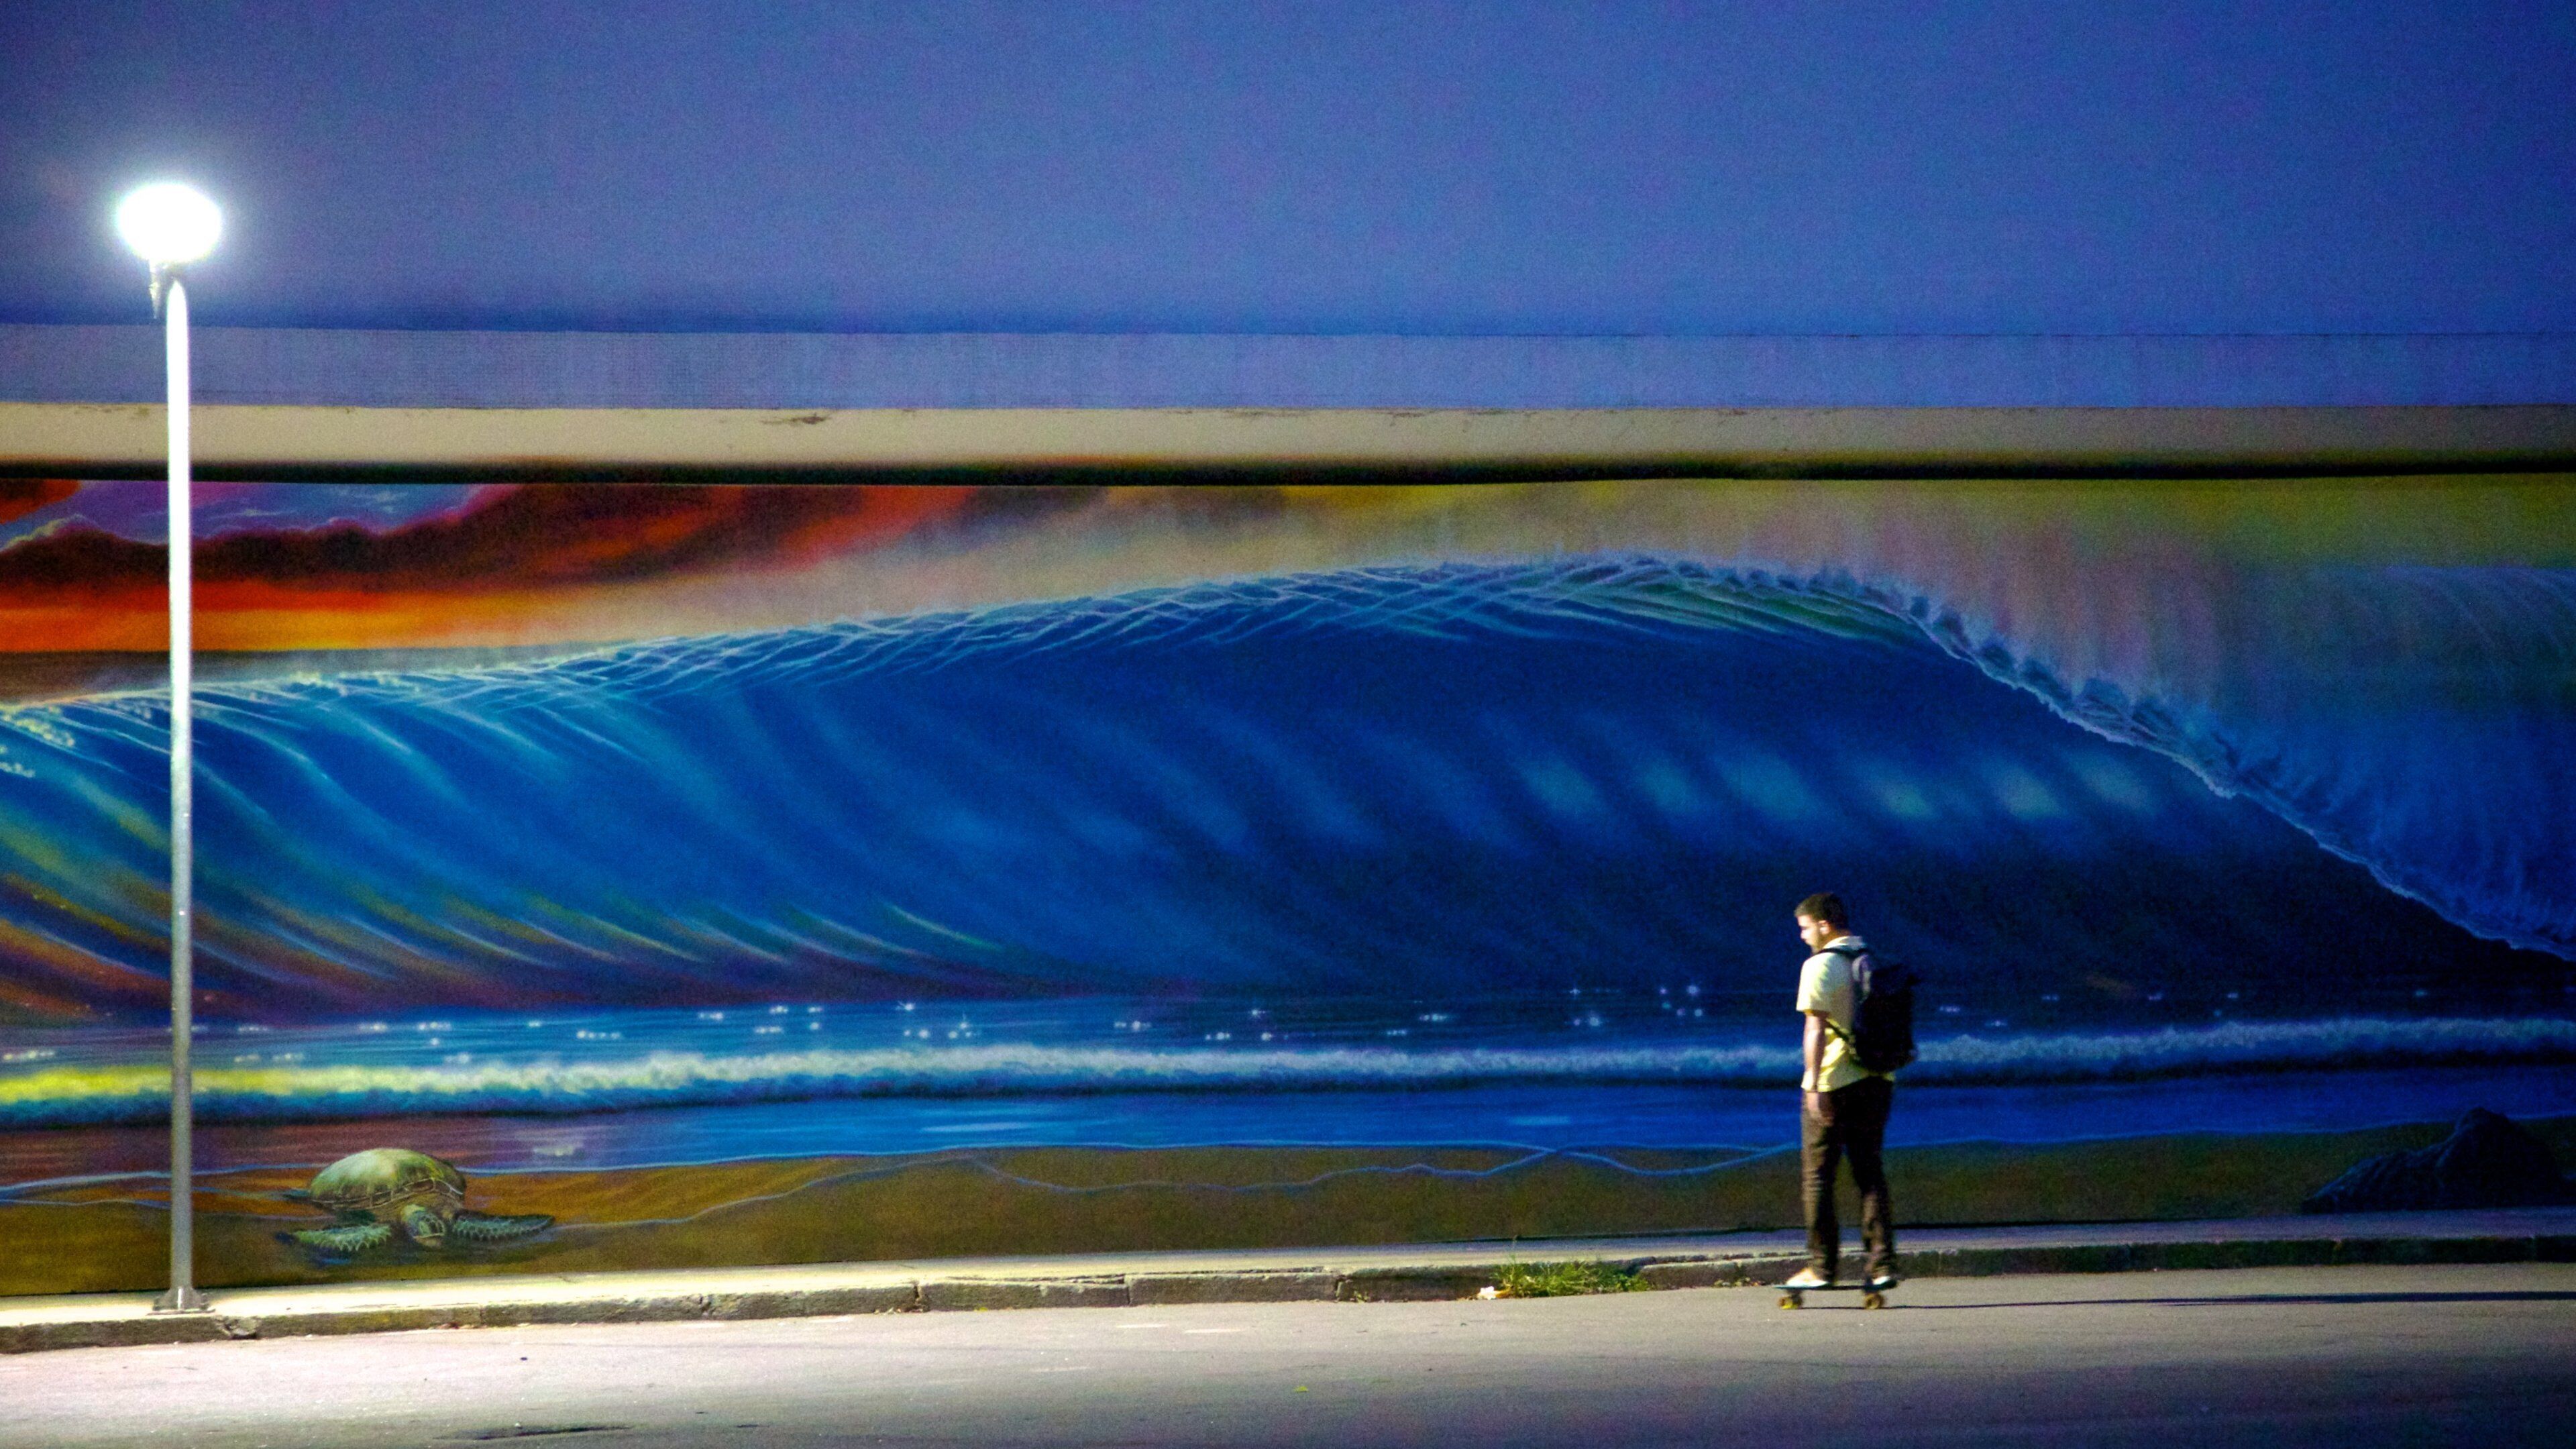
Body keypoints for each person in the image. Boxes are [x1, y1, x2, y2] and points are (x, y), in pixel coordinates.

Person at [1783, 891, 1895, 1291]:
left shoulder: (1820, 966)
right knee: (1869, 1173)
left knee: (1818, 1178)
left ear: (1824, 924)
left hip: (1834, 1081)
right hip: (1879, 1079)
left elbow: (1815, 1029)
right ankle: (1882, 1266)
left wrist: (1814, 1085)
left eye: (1805, 927)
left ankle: (1821, 1268)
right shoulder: (1871, 958)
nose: (1803, 936)